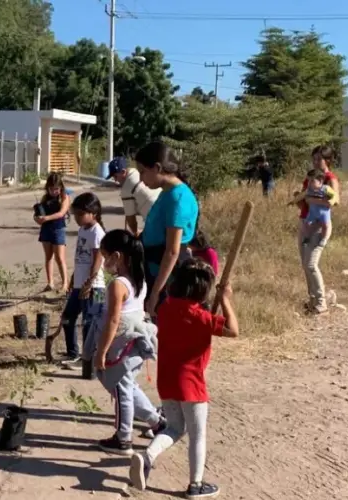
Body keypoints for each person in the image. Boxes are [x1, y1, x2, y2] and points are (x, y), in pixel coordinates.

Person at [129, 259, 239, 499]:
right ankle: (195, 484)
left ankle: (147, 456)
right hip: (192, 384)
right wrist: (226, 300)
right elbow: (233, 330)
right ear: (202, 291)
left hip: (167, 381)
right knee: (197, 435)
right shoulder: (201, 317)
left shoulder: (166, 308)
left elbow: (188, 313)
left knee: (175, 427)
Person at [85, 229, 165, 456]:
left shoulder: (117, 284)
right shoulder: (137, 280)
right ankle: (156, 422)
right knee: (128, 387)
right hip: (133, 345)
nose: (104, 261)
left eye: (105, 255)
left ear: (117, 256)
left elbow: (113, 319)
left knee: (121, 392)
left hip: (120, 346)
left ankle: (123, 437)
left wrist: (101, 351)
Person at [135, 141, 200, 317]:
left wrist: (156, 292)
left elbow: (172, 251)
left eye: (142, 172)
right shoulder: (167, 192)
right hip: (155, 270)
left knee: (165, 333)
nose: (141, 179)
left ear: (157, 168)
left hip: (168, 280)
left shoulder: (178, 198)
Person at [60, 192, 106, 364]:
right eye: (75, 214)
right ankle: (73, 353)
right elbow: (81, 258)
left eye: (80, 214)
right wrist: (74, 278)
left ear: (93, 213)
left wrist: (90, 282)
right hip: (80, 285)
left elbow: (97, 259)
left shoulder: (97, 232)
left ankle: (89, 359)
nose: (77, 218)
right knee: (67, 318)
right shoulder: (82, 230)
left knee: (91, 322)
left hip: (96, 288)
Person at [296, 145, 341, 314]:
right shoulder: (311, 178)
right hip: (305, 222)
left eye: (318, 159)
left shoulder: (330, 178)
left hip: (319, 226)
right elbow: (304, 199)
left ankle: (321, 303)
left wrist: (313, 200)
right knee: (305, 264)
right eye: (313, 159)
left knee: (311, 264)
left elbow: (335, 200)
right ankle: (313, 300)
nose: (315, 162)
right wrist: (300, 199)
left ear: (327, 160)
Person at [34, 173, 71, 291]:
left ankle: (65, 283)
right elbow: (37, 215)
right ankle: (50, 282)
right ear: (47, 188)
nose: (54, 191)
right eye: (51, 189)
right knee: (48, 257)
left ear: (61, 188)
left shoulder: (64, 197)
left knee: (60, 257)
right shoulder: (45, 198)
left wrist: (47, 218)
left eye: (56, 189)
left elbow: (61, 213)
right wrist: (37, 219)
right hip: (46, 229)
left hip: (58, 228)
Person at [107, 156, 160, 235]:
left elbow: (131, 219)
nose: (115, 180)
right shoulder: (136, 172)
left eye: (115, 176)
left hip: (155, 220)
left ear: (123, 172)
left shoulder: (126, 188)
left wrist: (136, 233)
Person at [293, 170, 337, 246]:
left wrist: (331, 201)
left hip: (324, 213)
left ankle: (324, 239)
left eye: (312, 181)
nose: (309, 183)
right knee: (306, 224)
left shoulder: (325, 189)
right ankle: (307, 237)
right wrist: (293, 201)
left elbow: (334, 195)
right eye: (308, 180)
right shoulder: (309, 190)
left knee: (326, 225)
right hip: (312, 213)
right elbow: (302, 195)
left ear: (320, 181)